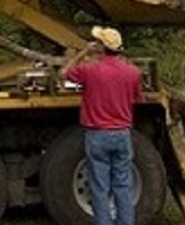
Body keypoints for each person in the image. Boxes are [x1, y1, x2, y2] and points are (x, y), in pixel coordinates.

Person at [59, 26, 143, 225]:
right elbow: (138, 98)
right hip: (122, 133)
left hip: (97, 134)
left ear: (101, 47)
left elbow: (64, 73)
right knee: (123, 185)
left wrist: (84, 52)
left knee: (99, 186)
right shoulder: (133, 72)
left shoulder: (91, 70)